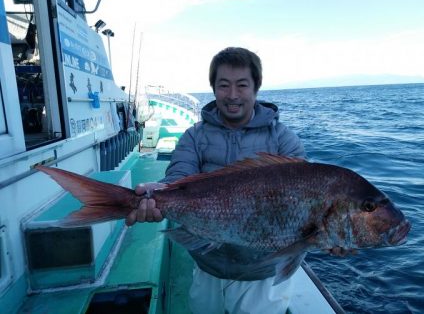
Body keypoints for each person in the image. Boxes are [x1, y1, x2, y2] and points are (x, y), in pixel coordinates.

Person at [126, 47, 306, 314]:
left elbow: (307, 194)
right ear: (213, 88)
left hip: (263, 276)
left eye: (242, 85)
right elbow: (178, 177)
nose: (233, 95)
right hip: (208, 265)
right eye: (224, 85)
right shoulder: (194, 136)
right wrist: (160, 194)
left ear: (256, 87)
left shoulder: (282, 139)